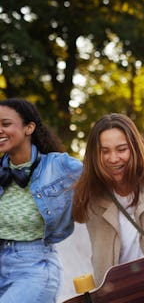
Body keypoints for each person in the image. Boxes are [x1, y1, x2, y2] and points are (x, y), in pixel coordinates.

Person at [72, 113, 144, 286]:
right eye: (105, 151)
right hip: (121, 294)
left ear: (135, 148)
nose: (113, 158)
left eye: (121, 149)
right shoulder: (90, 199)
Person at [0, 98, 82, 303]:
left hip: (34, 267)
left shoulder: (59, 166)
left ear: (29, 127)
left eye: (6, 124)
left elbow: (104, 173)